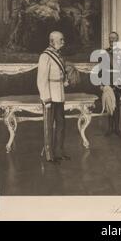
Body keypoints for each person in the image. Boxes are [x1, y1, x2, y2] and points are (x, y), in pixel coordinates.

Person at [37, 31, 70, 163]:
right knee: (49, 126)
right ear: (52, 41)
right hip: (50, 96)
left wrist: (65, 80)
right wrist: (46, 99)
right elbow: (41, 79)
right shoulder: (45, 56)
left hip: (60, 95)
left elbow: (60, 73)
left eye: (63, 39)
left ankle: (59, 152)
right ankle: (49, 156)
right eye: (60, 40)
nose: (63, 42)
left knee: (61, 125)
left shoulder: (59, 55)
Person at [104, 32, 121, 136]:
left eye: (114, 38)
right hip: (107, 81)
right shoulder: (104, 52)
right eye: (110, 38)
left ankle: (117, 128)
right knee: (109, 104)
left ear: (117, 39)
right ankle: (110, 128)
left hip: (118, 82)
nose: (111, 40)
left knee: (117, 106)